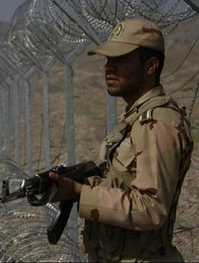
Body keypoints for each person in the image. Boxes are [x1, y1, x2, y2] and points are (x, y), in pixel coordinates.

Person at [49, 18, 194, 262]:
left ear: (151, 66)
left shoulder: (156, 123)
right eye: (108, 60)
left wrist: (79, 193)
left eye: (121, 60)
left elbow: (151, 207)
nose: (108, 68)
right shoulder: (135, 118)